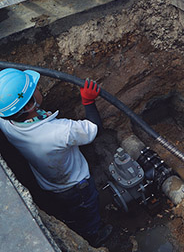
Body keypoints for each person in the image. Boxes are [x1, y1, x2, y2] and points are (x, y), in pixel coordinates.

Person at [0, 68, 112, 247]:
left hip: (49, 184)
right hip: (77, 185)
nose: (38, 87)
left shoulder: (7, 124)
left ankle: (72, 221)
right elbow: (94, 129)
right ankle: (93, 235)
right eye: (34, 88)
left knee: (70, 209)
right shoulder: (60, 130)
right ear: (29, 104)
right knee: (87, 208)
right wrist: (88, 101)